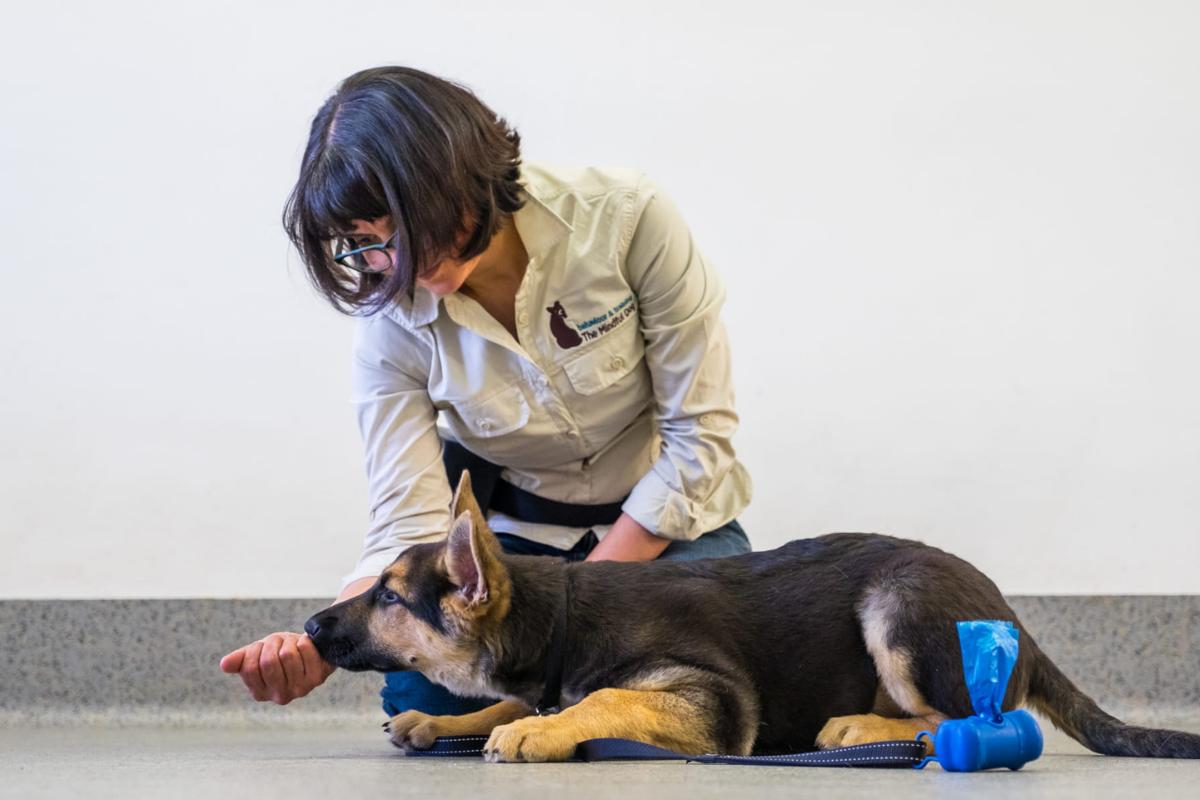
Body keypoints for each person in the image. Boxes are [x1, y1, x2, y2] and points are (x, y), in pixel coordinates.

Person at [219, 66, 753, 717]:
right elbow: (408, 520)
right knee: (427, 700)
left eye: (407, 226)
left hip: (667, 525)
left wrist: (579, 611)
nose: (397, 264)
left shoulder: (627, 219)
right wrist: (324, 641)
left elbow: (700, 437)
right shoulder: (388, 325)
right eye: (364, 244)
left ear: (466, 178)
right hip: (513, 553)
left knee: (699, 678)